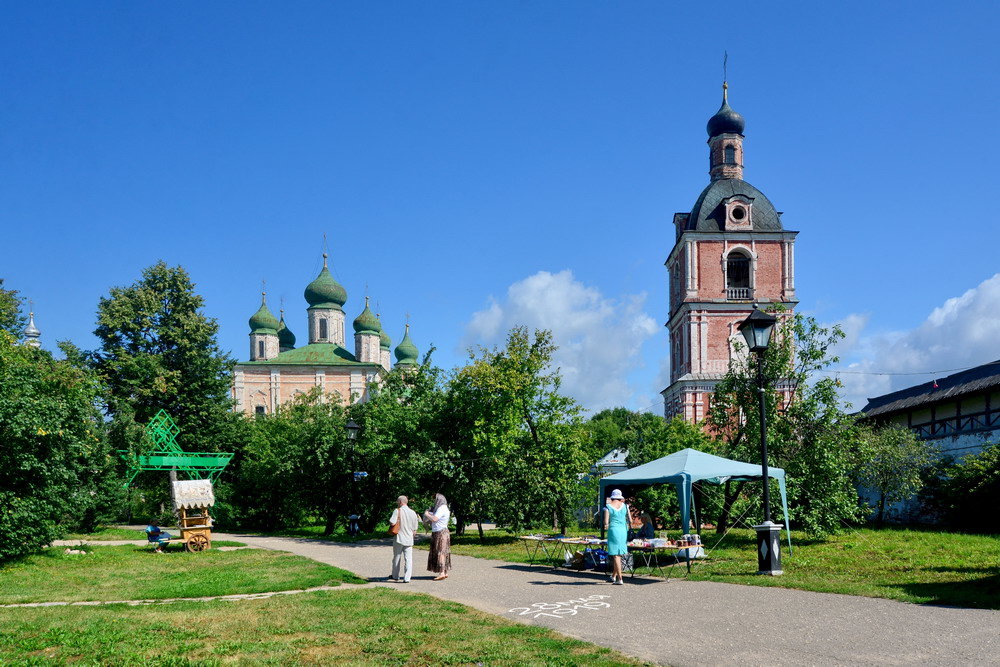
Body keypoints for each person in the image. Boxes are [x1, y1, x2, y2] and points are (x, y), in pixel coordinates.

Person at [603, 489, 633, 584]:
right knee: (619, 554)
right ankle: (613, 576)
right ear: (620, 497)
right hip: (623, 530)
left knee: (615, 555)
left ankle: (620, 578)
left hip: (614, 530)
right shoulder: (625, 506)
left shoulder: (608, 507)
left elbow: (606, 522)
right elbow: (631, 520)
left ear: (612, 497)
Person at [388, 495, 420, 583]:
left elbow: (392, 522)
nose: (397, 503)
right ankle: (407, 578)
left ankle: (395, 576)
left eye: (397, 501)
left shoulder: (397, 511)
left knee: (397, 557)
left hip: (399, 537)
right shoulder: (413, 512)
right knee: (408, 559)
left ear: (401, 502)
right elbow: (415, 528)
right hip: (409, 538)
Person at [424, 493, 451, 580]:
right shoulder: (443, 508)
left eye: (435, 499)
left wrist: (427, 514)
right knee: (443, 552)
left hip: (440, 533)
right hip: (440, 532)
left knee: (441, 552)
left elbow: (435, 519)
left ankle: (442, 572)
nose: (434, 501)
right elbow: (435, 520)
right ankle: (445, 571)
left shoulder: (442, 508)